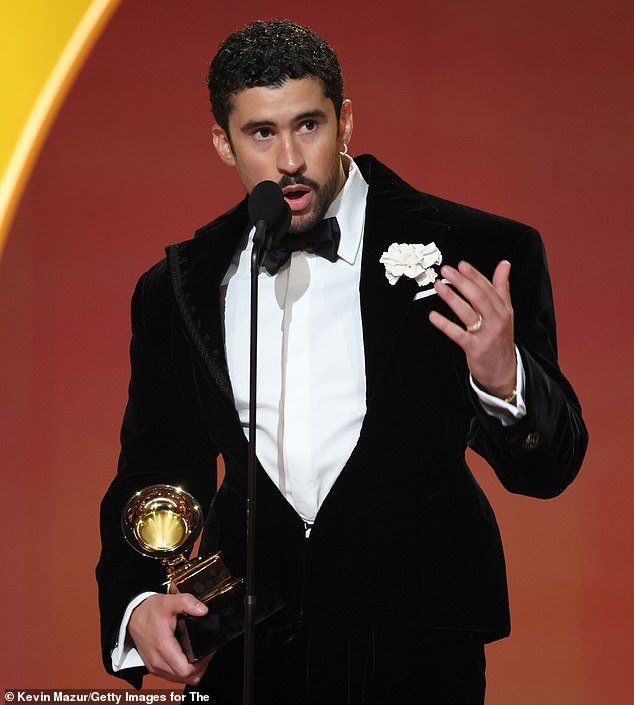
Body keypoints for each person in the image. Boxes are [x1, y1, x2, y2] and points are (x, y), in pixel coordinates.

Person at [97, 19, 587, 704]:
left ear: (345, 121)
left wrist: (505, 381)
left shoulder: (476, 252)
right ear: (222, 141)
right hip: (245, 654)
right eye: (261, 133)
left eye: (309, 125)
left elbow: (549, 467)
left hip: (417, 649)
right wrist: (139, 599)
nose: (289, 159)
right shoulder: (177, 287)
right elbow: (155, 471)